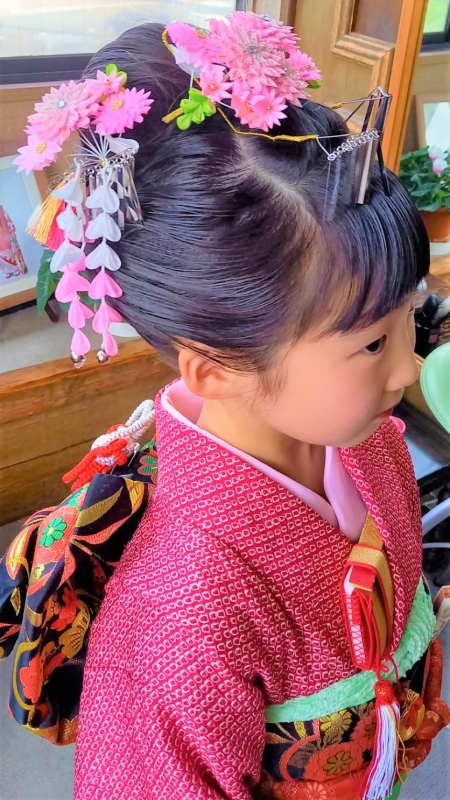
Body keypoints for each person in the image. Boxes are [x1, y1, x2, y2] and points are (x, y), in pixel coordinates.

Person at [1, 12, 450, 800]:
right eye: (373, 344)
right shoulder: (181, 612)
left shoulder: (367, 438)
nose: (408, 369)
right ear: (214, 372)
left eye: (410, 317)